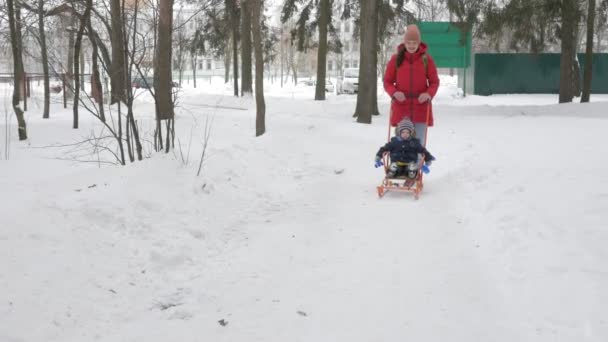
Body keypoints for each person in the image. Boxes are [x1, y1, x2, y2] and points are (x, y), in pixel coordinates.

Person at [383, 24, 440, 146]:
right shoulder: (396, 59)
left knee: (417, 146)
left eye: (414, 42)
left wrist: (428, 94)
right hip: (401, 109)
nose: (411, 45)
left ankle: (417, 165)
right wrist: (394, 92)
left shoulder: (427, 60)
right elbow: (387, 81)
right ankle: (398, 166)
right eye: (409, 42)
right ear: (405, 42)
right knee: (400, 147)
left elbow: (434, 82)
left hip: (421, 108)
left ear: (419, 43)